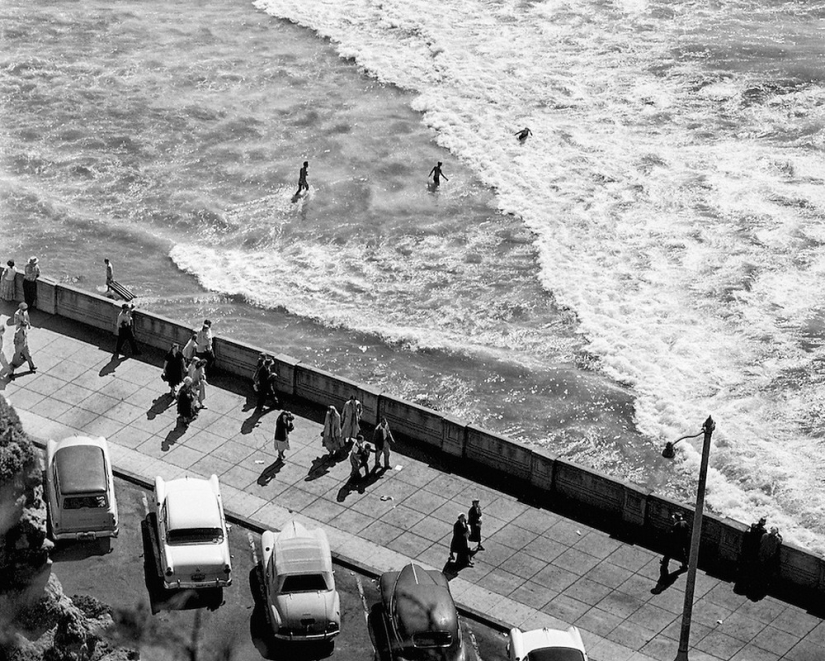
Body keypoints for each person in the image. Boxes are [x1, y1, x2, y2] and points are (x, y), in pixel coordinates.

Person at [734, 516, 767, 595]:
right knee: (750, 565)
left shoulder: (753, 525)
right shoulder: (764, 531)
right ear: (764, 524)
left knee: (745, 563)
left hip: (748, 547)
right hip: (755, 549)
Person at [748, 526, 783, 600]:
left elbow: (760, 542)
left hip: (761, 556)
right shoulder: (777, 539)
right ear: (776, 533)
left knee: (758, 571)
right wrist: (779, 535)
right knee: (764, 573)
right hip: (768, 559)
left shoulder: (765, 535)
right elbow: (780, 542)